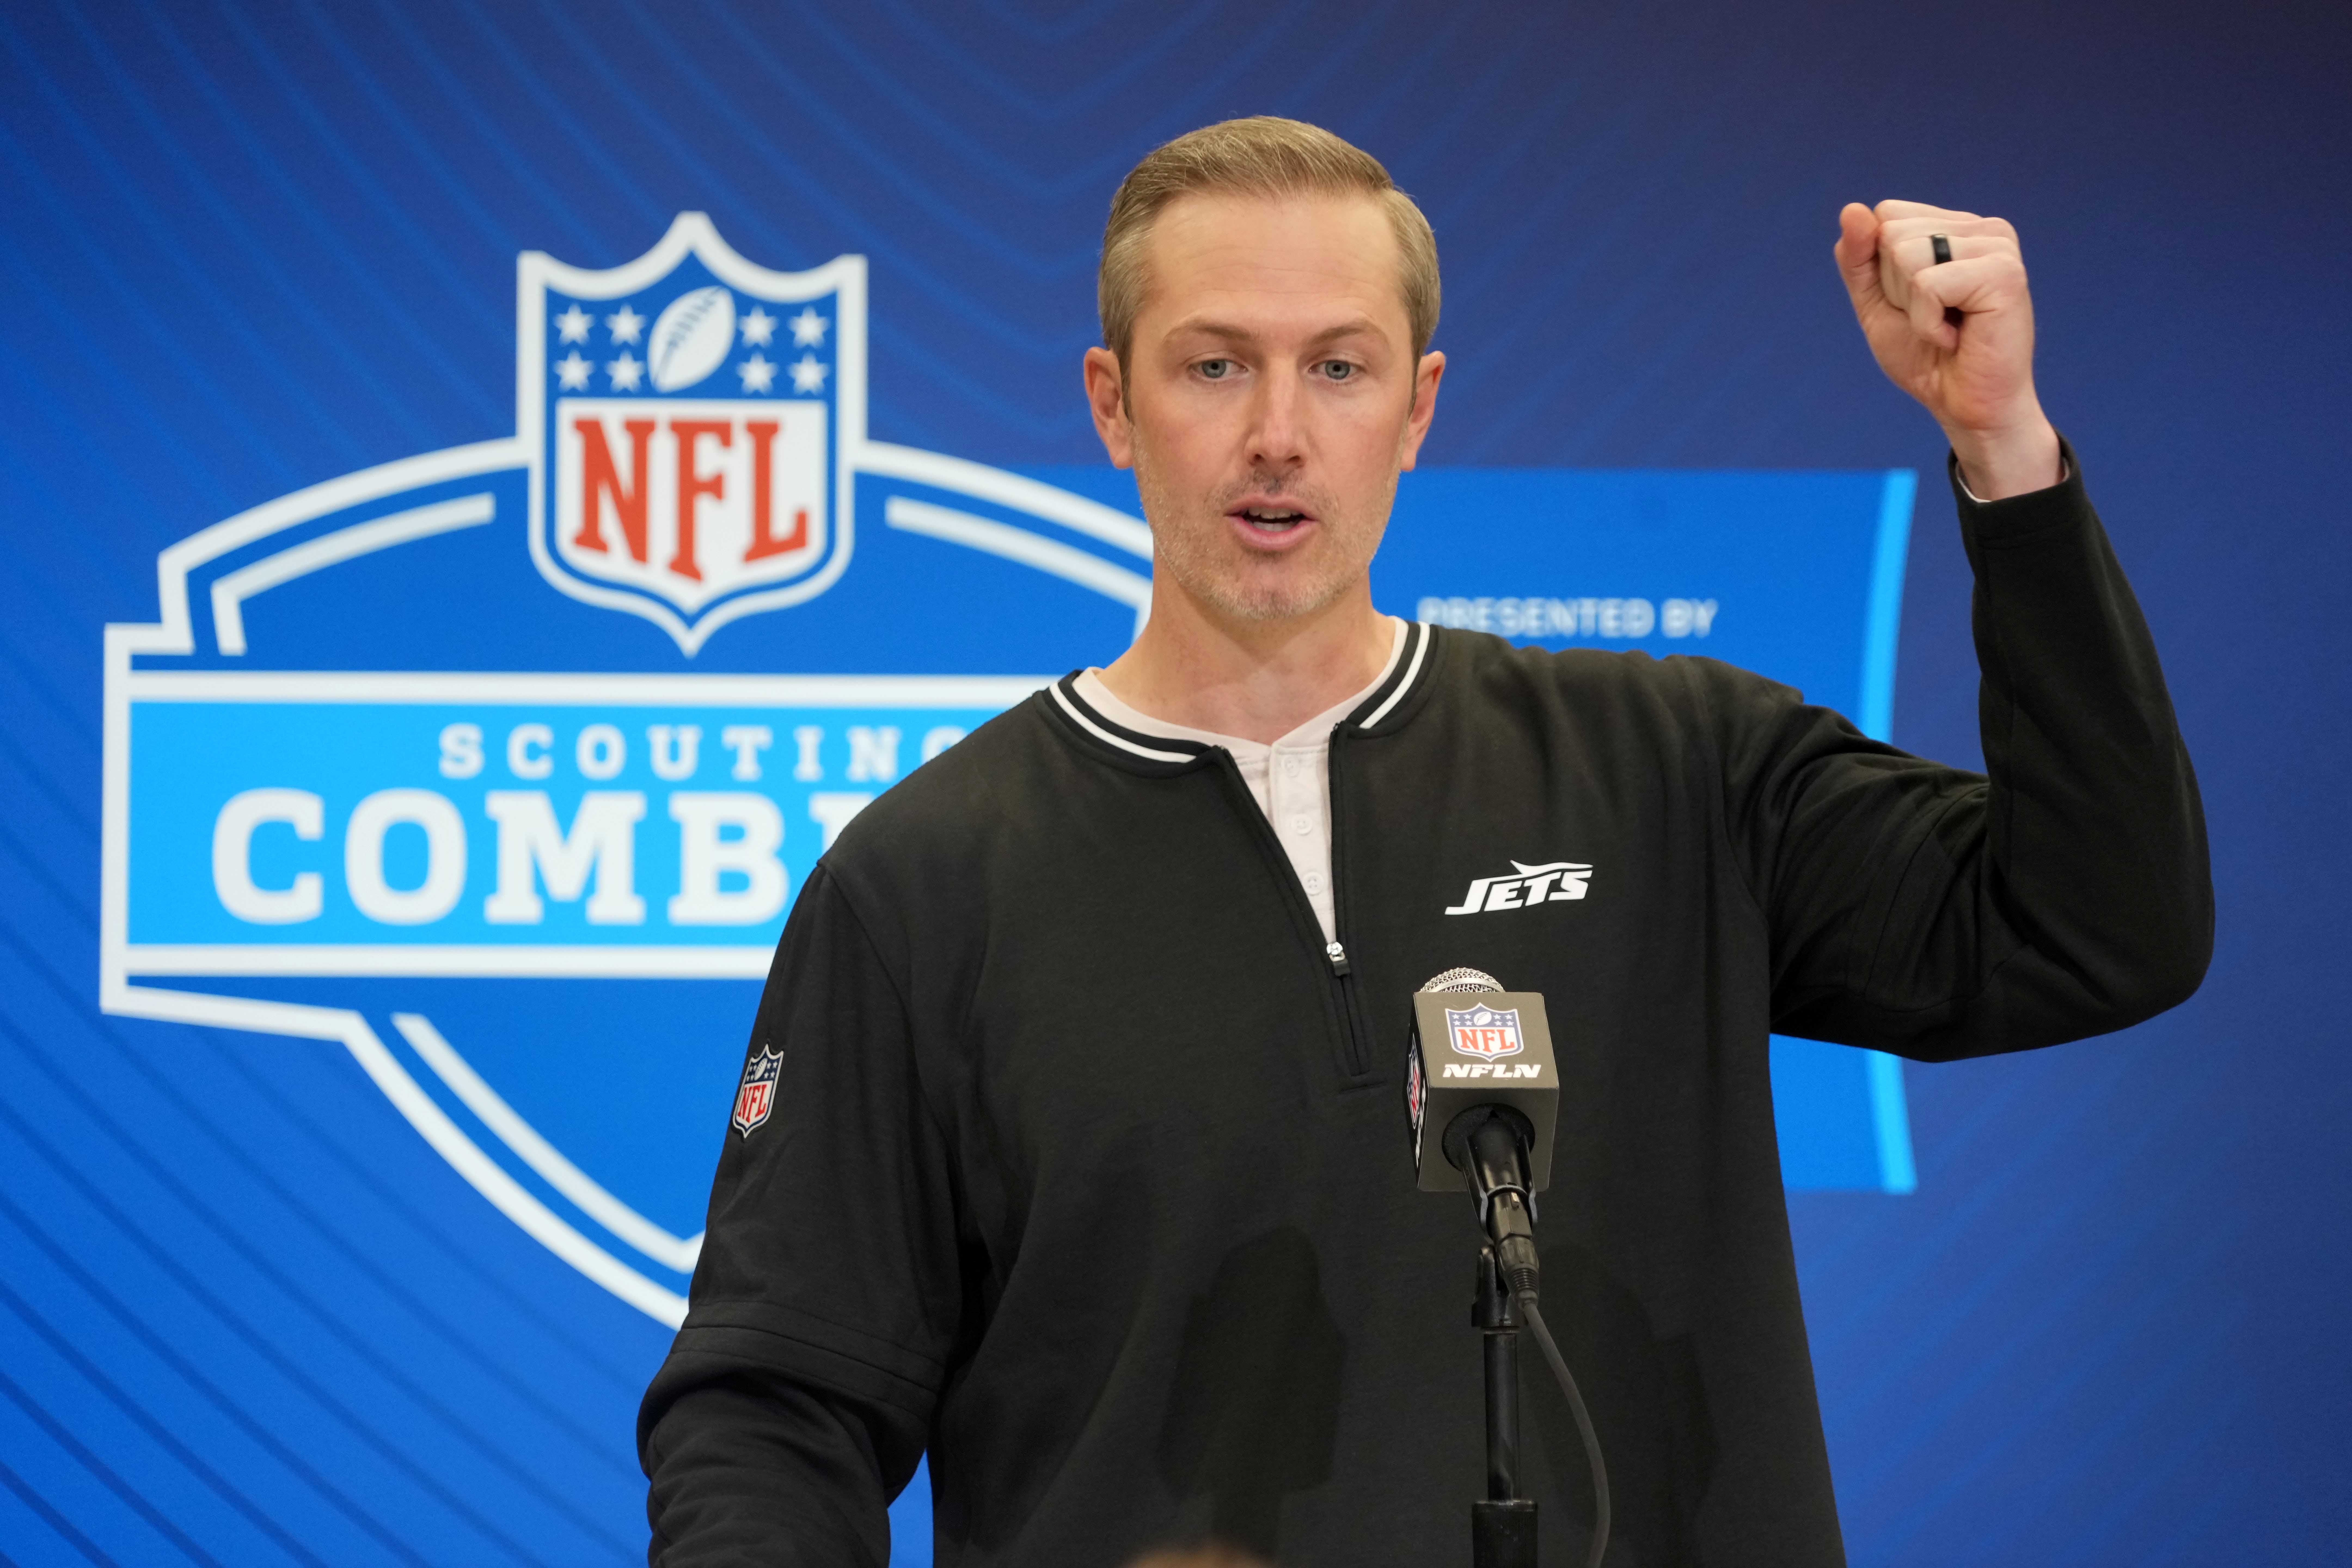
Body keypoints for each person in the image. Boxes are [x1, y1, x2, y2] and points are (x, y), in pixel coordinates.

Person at [637, 117, 2210, 1567]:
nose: (1276, 435)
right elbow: (775, 1409)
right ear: (1113, 405)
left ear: (1418, 408)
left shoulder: (1672, 768)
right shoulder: (927, 880)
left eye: (1338, 368)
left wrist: (2003, 449)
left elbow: (2096, 927)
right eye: (1212, 368)